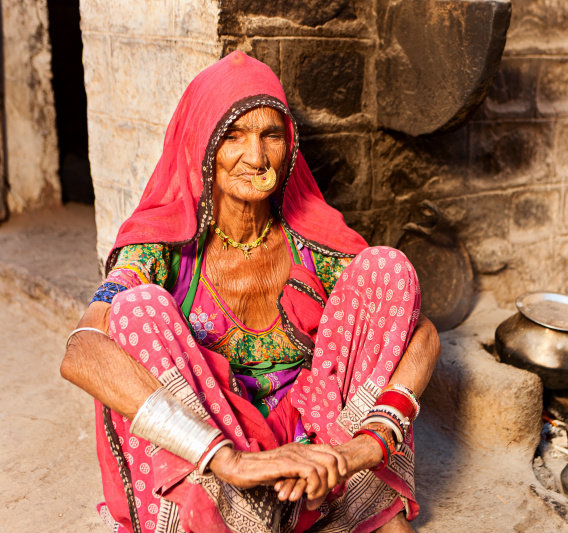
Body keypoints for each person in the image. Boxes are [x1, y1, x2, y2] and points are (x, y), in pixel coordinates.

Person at [60, 51, 441, 533]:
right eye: (234, 136)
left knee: (388, 269)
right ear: (202, 145)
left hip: (318, 465)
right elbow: (81, 351)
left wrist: (363, 447)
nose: (256, 158)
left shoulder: (311, 244)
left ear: (290, 147)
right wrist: (230, 461)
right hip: (217, 469)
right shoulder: (163, 249)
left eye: (271, 136)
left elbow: (420, 333)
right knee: (136, 311)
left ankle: (362, 507)